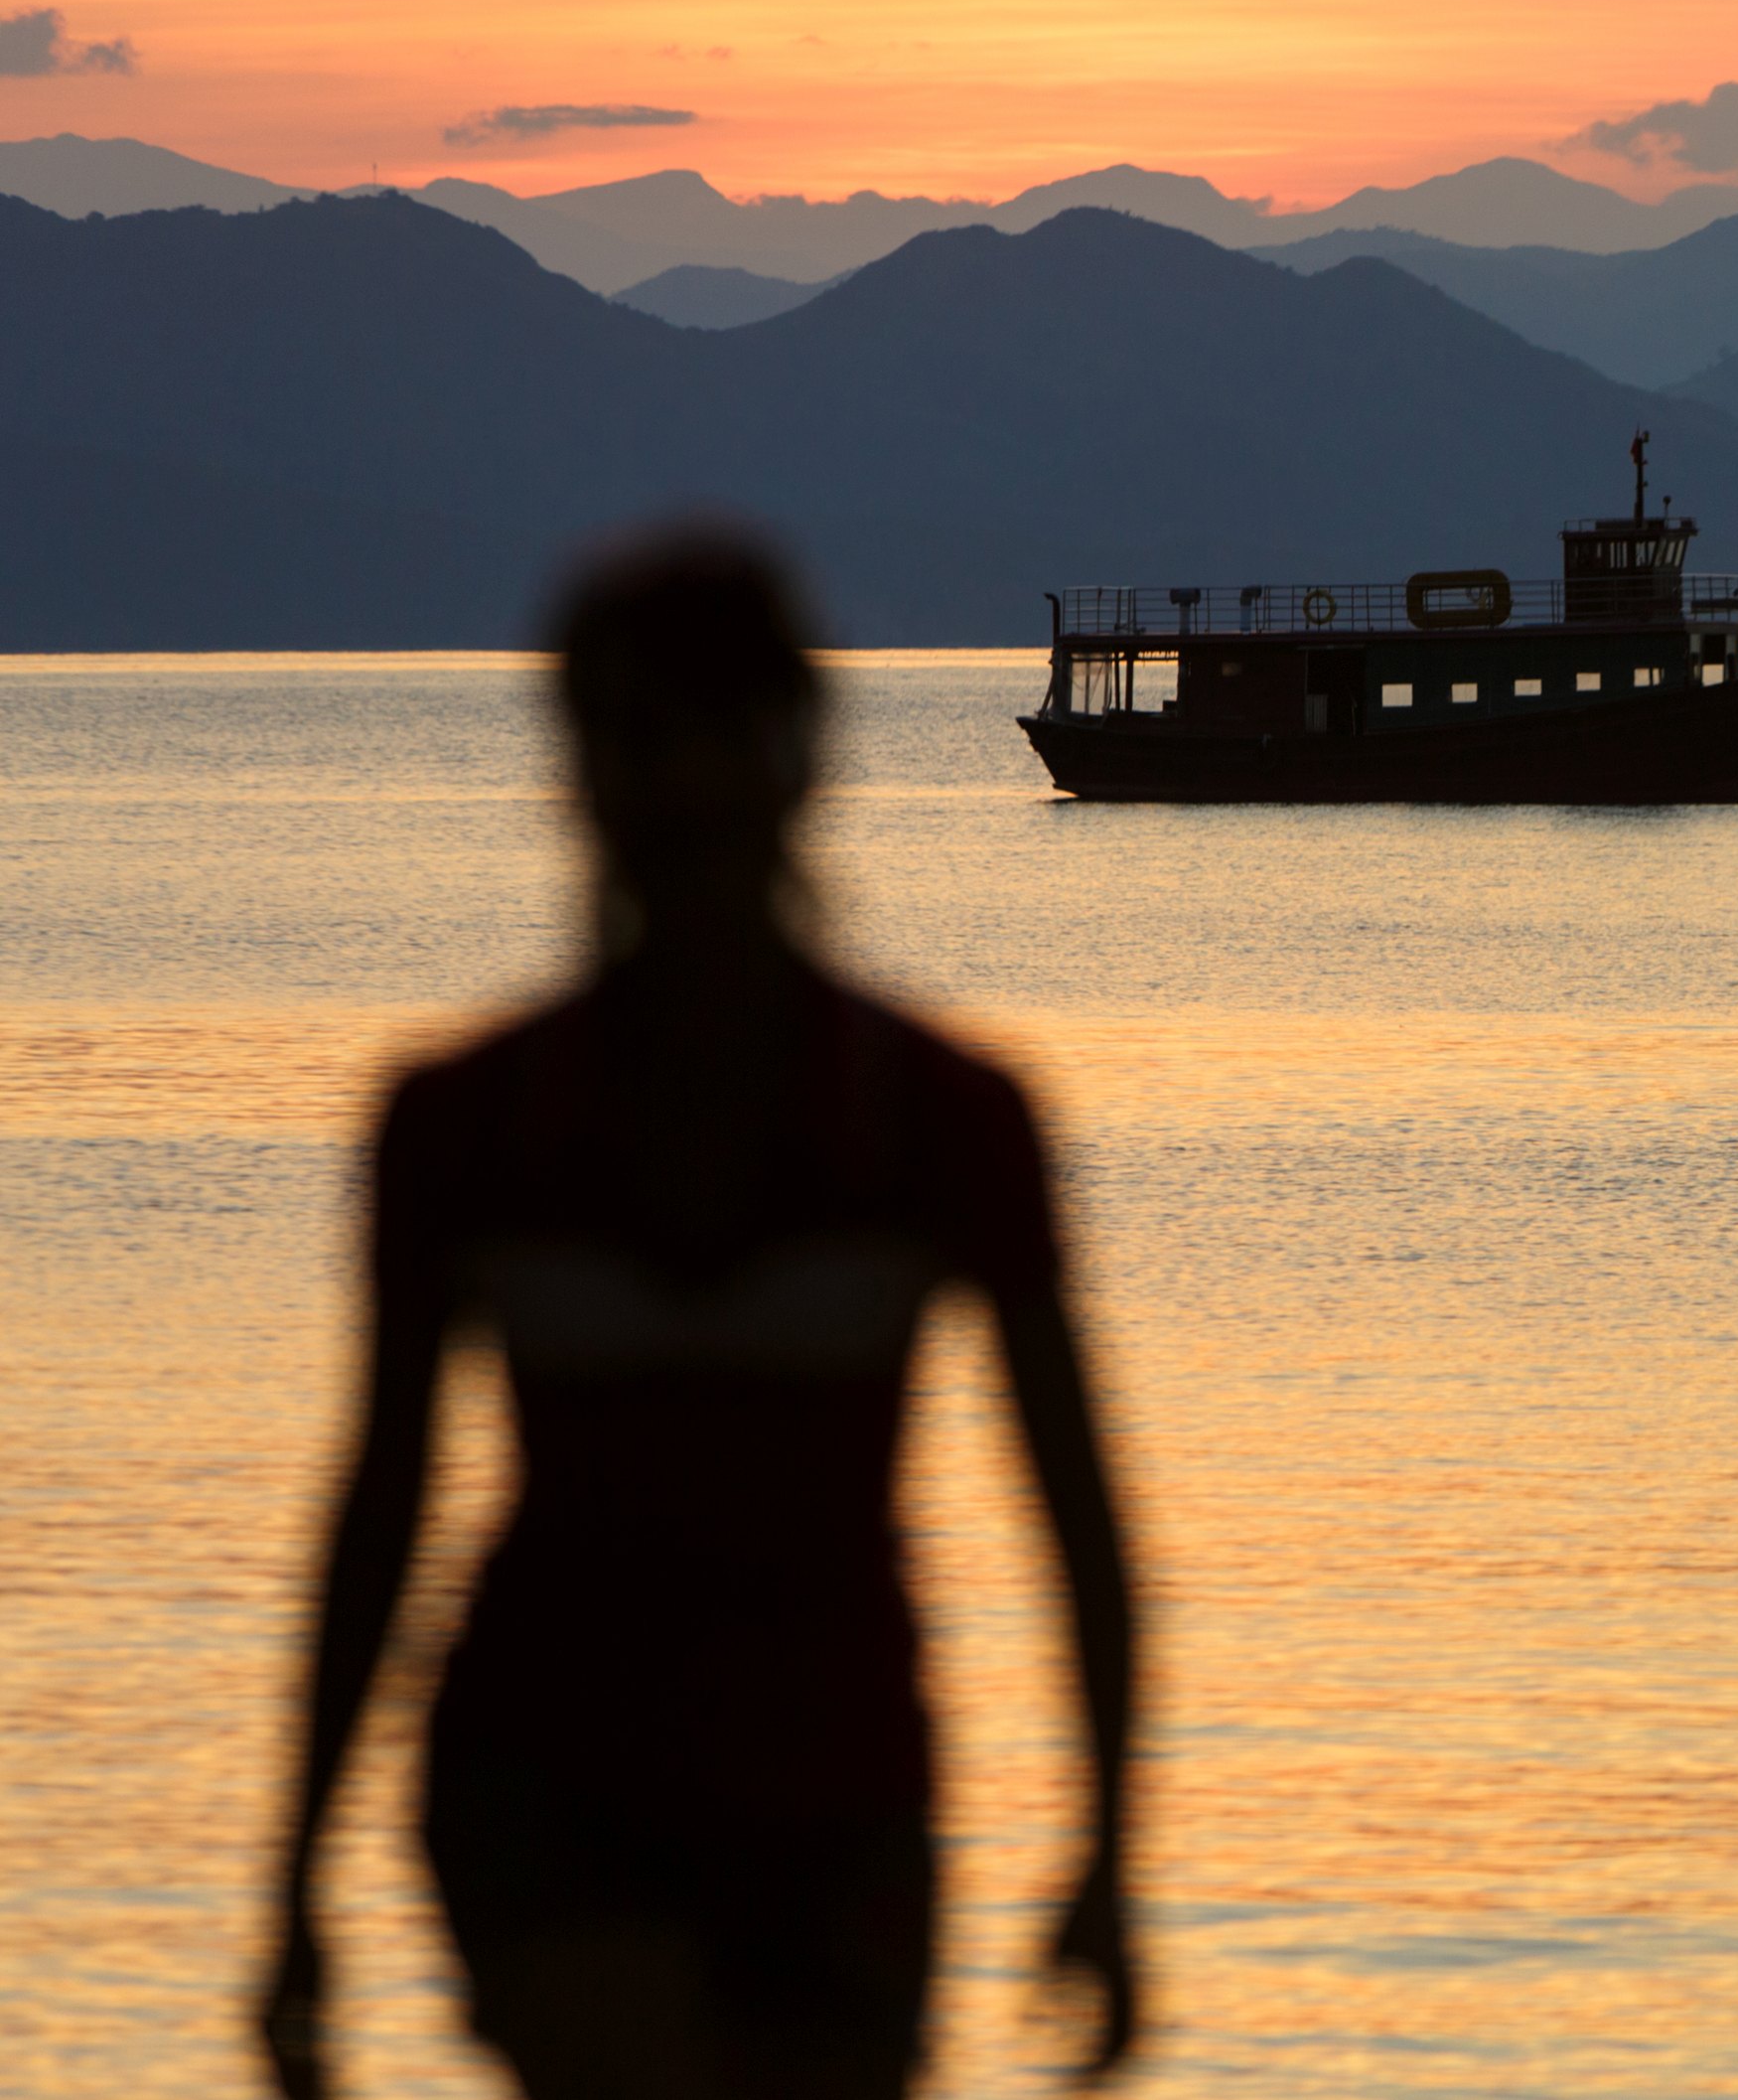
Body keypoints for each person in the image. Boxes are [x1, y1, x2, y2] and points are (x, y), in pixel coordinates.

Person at [258, 528, 1141, 2098]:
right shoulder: (466, 1128)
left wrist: (1111, 1854)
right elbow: (380, 1503)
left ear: (794, 758)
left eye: (713, 739)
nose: (676, 795)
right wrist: (295, 1881)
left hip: (846, 1798)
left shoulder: (947, 1126)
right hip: (548, 1785)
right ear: (581, 770)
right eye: (632, 741)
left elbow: (1076, 1509)